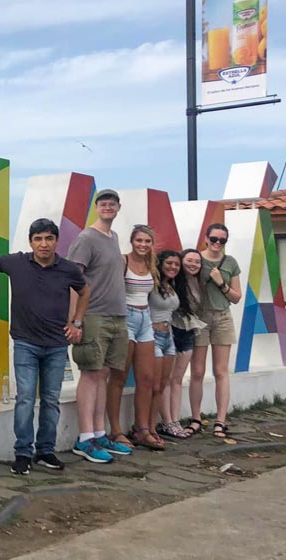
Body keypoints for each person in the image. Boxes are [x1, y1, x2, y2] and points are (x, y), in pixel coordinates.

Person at [0, 218, 90, 474]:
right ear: (31, 241)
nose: (44, 244)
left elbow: (85, 291)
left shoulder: (68, 269)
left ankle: (46, 451)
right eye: (38, 239)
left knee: (51, 401)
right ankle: (23, 453)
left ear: (56, 241)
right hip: (26, 344)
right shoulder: (17, 262)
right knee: (24, 399)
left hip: (56, 344)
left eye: (49, 238)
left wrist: (77, 322)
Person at [66, 189, 133, 463]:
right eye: (103, 204)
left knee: (103, 374)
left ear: (118, 208)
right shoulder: (86, 238)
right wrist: (75, 320)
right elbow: (73, 280)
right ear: (96, 208)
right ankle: (84, 439)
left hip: (117, 316)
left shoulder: (113, 237)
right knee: (90, 374)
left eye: (112, 204)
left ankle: (98, 432)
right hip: (93, 316)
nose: (108, 207)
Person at [190, 224, 242, 438]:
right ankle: (195, 418)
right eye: (214, 239)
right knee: (197, 371)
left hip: (222, 316)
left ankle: (220, 420)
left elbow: (237, 297)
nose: (217, 243)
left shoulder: (231, 263)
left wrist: (222, 284)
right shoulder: (196, 260)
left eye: (222, 240)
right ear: (206, 238)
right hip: (200, 317)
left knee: (221, 371)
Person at [121, 225, 166, 450]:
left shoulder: (152, 264)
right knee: (119, 376)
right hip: (126, 317)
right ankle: (115, 431)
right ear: (132, 241)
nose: (143, 245)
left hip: (145, 319)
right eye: (139, 240)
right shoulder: (123, 262)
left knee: (147, 378)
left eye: (147, 241)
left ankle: (143, 429)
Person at [149, 250, 187, 440]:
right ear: (161, 263)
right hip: (153, 334)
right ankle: (156, 425)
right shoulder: (152, 283)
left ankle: (170, 421)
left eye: (177, 264)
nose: (173, 267)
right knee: (155, 384)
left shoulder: (171, 285)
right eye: (169, 263)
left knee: (165, 382)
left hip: (168, 336)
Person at [172, 249, 207, 437]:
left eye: (197, 261)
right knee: (165, 380)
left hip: (189, 332)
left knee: (177, 379)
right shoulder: (173, 280)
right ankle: (166, 421)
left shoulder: (200, 283)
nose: (193, 264)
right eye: (189, 260)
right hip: (171, 330)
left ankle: (175, 421)